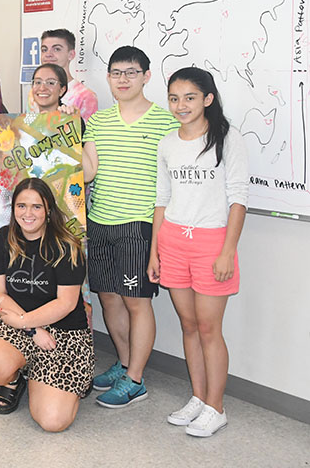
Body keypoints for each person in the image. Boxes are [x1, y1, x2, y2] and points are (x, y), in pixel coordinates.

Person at [148, 67, 248, 437]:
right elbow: (162, 199)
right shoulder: (168, 143)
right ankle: (199, 397)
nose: (180, 105)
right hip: (173, 240)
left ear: (207, 99)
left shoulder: (227, 138)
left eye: (189, 97)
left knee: (209, 328)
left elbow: (238, 200)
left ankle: (216, 407)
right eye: (174, 98)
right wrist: (155, 251)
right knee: (188, 325)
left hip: (211, 243)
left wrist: (227, 251)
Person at [81, 45, 180, 408]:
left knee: (137, 303)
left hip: (138, 224)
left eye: (130, 72)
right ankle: (124, 364)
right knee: (109, 298)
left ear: (146, 76)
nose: (122, 79)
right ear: (107, 77)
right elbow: (88, 172)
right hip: (100, 220)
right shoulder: (98, 122)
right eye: (116, 73)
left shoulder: (166, 121)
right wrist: (64, 132)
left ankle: (136, 380)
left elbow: (174, 182)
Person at [0, 178, 94, 432]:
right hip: (17, 321)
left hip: (63, 331)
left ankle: (51, 376)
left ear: (48, 209)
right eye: (22, 206)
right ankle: (16, 377)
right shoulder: (1, 239)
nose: (28, 213)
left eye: (36, 207)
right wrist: (29, 329)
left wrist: (26, 323)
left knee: (53, 422)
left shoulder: (67, 245)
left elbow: (66, 303)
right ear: (14, 208)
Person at [26, 29, 98, 120]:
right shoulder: (36, 92)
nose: (48, 54)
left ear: (71, 55)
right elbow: (27, 128)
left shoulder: (85, 96)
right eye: (44, 49)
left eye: (56, 49)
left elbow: (87, 132)